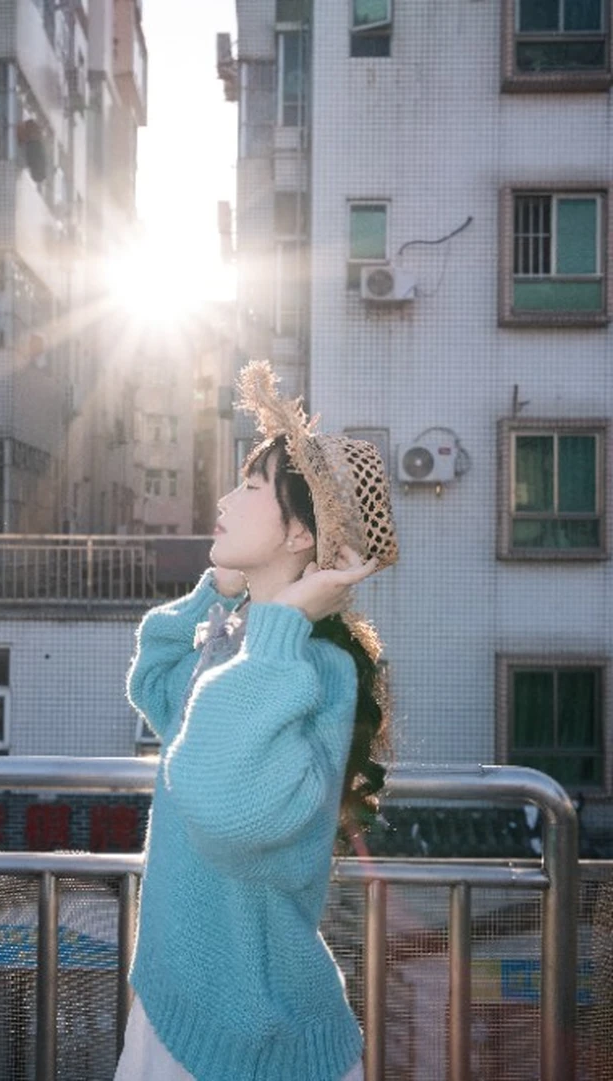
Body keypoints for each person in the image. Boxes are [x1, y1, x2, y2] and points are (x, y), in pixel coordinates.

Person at [114, 360, 399, 1081]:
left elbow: (222, 806)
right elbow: (154, 680)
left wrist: (280, 626)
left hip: (250, 1037)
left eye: (249, 486)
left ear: (300, 533)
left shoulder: (315, 670)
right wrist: (222, 588)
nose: (224, 497)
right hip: (179, 1006)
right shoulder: (241, 642)